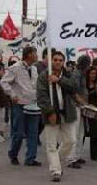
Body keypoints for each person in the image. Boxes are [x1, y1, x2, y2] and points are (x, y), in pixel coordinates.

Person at [37, 51, 79, 182]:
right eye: (55, 59)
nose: (58, 62)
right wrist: (50, 112)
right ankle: (55, 170)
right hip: (52, 114)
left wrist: (59, 80)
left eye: (60, 60)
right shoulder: (44, 76)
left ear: (63, 62)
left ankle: (56, 162)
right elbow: (41, 97)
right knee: (51, 144)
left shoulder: (68, 74)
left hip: (67, 112)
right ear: (51, 61)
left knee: (71, 140)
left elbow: (74, 87)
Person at [0, 46, 41, 166]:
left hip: (33, 104)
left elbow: (35, 84)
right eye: (35, 53)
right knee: (18, 132)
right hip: (20, 105)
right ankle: (13, 154)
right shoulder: (15, 67)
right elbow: (4, 81)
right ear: (29, 55)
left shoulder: (34, 69)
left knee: (33, 132)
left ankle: (30, 158)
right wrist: (12, 94)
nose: (37, 55)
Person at [68, 54, 91, 168]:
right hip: (76, 106)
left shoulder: (81, 74)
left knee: (81, 133)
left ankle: (77, 155)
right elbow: (73, 91)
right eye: (87, 64)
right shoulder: (76, 74)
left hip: (81, 105)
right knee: (75, 134)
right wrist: (82, 101)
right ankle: (71, 158)